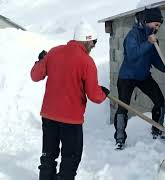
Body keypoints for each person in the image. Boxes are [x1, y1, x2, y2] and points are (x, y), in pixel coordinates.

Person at [31, 21, 110, 180]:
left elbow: (35, 75)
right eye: (93, 42)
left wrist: (40, 61)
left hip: (49, 115)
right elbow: (94, 95)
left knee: (48, 155)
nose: (94, 46)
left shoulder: (53, 52)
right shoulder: (87, 61)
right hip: (71, 120)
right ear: (87, 40)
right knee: (70, 158)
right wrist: (103, 93)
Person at [113, 7, 165, 150]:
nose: (157, 28)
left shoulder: (152, 38)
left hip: (144, 76)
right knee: (123, 106)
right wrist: (149, 43)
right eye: (156, 25)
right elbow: (133, 55)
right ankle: (120, 138)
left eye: (159, 26)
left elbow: (154, 58)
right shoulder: (133, 35)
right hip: (127, 77)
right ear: (147, 22)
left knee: (159, 101)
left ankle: (157, 130)